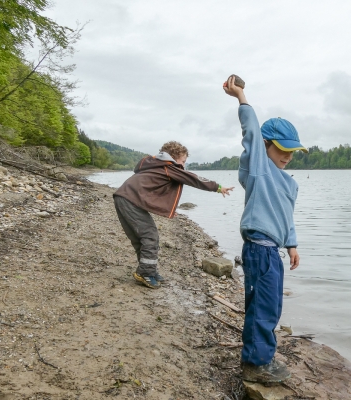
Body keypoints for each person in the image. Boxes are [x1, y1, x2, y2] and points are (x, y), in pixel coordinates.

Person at [223, 76, 307, 383]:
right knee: (264, 306)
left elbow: (286, 217)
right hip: (258, 248)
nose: (287, 155)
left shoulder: (290, 183)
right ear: (266, 146)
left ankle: (257, 356)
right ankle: (257, 364)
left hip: (274, 251)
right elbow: (251, 132)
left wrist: (292, 244)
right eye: (282, 149)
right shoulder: (259, 168)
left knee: (269, 304)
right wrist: (241, 96)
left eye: (292, 151)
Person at [113, 141, 234, 289]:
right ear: (174, 157)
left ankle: (148, 270)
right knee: (150, 236)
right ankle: (145, 273)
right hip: (130, 200)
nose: (183, 166)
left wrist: (169, 209)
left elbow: (152, 192)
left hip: (124, 197)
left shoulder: (156, 166)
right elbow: (193, 179)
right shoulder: (168, 167)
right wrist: (218, 187)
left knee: (141, 237)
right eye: (183, 162)